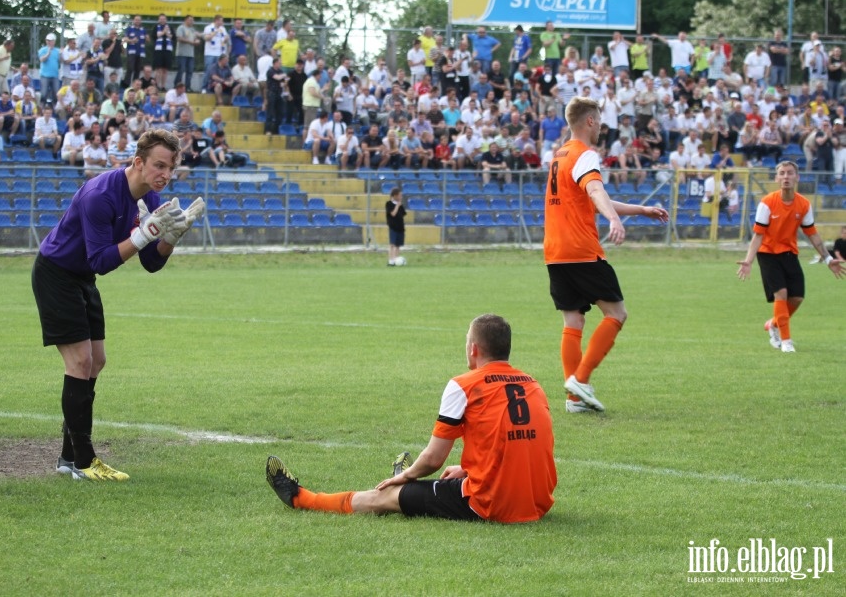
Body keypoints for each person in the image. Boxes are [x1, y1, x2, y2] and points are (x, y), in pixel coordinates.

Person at [31, 129, 205, 481]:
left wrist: (171, 237)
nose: (165, 175)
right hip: (57, 273)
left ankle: (68, 458)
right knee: (80, 361)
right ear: (138, 162)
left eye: (170, 168)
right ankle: (84, 461)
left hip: (81, 278)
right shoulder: (101, 195)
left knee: (97, 361)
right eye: (159, 166)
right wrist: (143, 235)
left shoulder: (150, 200)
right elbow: (100, 261)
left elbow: (151, 263)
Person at [266, 313, 557, 523]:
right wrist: (470, 469)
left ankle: (300, 498)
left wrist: (406, 477)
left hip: (491, 504)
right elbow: (521, 442)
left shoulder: (464, 384)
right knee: (421, 485)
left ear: (473, 349)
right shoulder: (534, 385)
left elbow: (433, 459)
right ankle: (408, 486)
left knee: (385, 497)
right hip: (536, 501)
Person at [544, 97, 669, 413]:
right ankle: (580, 380)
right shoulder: (586, 154)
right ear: (589, 121)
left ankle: (575, 400)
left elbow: (590, 197)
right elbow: (597, 192)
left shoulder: (560, 155)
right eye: (598, 120)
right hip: (581, 249)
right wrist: (614, 220)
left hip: (555, 251)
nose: (600, 125)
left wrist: (639, 210)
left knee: (573, 319)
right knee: (617, 314)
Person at [736, 161, 843, 352]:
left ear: (797, 177)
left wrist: (828, 259)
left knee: (797, 298)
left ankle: (774, 323)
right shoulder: (767, 203)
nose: (786, 177)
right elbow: (758, 235)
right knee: (781, 294)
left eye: (790, 173)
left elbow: (812, 234)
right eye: (782, 173)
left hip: (789, 253)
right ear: (777, 178)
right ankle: (785, 342)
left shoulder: (803, 204)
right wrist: (748, 261)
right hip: (767, 253)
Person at [385, 188, 406, 266]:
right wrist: (397, 205)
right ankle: (391, 260)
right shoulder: (389, 204)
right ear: (395, 195)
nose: (401, 197)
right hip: (393, 227)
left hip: (400, 227)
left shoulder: (401, 205)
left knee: (398, 245)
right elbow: (393, 214)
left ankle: (396, 260)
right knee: (392, 244)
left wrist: (399, 205)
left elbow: (403, 214)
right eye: (400, 195)